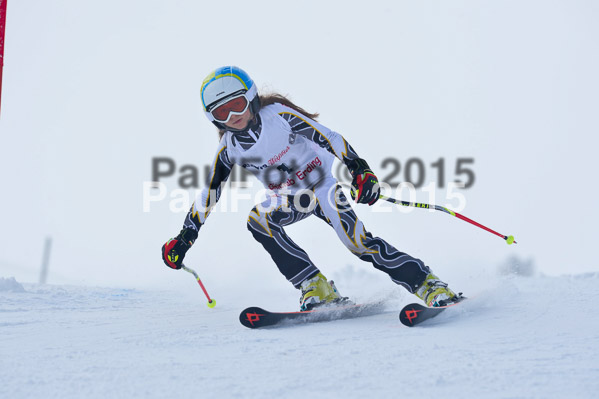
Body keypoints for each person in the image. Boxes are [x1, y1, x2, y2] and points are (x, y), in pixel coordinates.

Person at [161, 66, 459, 310]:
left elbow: (329, 137)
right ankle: (314, 286)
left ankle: (428, 284)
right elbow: (209, 193)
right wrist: (186, 237)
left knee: (357, 243)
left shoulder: (278, 116)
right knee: (258, 220)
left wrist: (360, 170)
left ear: (250, 99)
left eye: (236, 105)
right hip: (289, 198)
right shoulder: (229, 149)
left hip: (322, 186)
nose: (231, 117)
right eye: (221, 113)